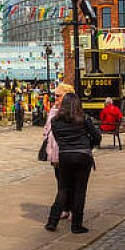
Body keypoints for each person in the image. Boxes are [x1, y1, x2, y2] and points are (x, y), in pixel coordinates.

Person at [45, 92, 102, 234]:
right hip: (83, 155)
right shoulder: (83, 119)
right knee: (79, 191)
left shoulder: (55, 122)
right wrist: (88, 144)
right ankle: (76, 225)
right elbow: (97, 136)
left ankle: (52, 222)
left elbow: (57, 138)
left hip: (65, 155)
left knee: (63, 189)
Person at [43, 83, 75, 221]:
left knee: (70, 182)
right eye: (54, 95)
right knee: (60, 181)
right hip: (54, 151)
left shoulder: (72, 111)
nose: (55, 98)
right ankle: (65, 208)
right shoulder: (53, 109)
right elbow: (47, 127)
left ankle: (71, 209)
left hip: (67, 150)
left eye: (58, 95)